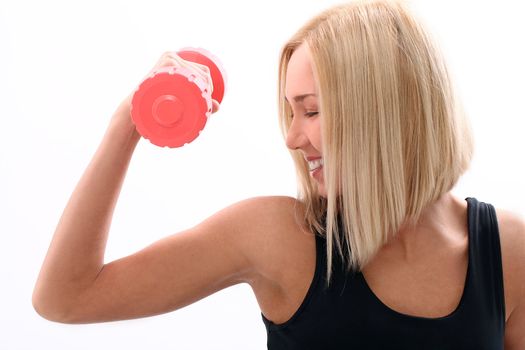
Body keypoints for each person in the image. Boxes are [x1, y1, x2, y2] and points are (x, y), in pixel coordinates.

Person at [32, 0, 524, 348]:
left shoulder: (508, 252)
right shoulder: (277, 238)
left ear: (382, 112)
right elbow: (66, 298)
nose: (292, 138)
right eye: (290, 113)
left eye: (310, 112)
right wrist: (127, 125)